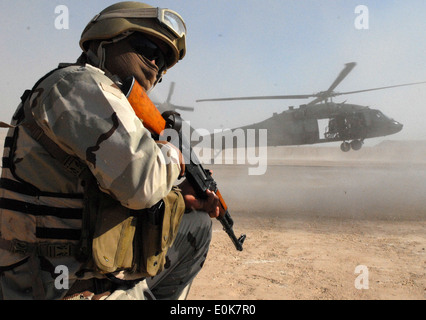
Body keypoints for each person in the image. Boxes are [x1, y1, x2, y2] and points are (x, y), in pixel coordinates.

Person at [0, 1, 219, 300]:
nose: (156, 65)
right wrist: (173, 157)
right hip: (56, 285)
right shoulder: (80, 85)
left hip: (83, 272)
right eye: (148, 49)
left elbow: (99, 189)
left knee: (196, 226)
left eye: (164, 61)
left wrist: (181, 199)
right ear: (108, 39)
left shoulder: (98, 95)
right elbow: (141, 182)